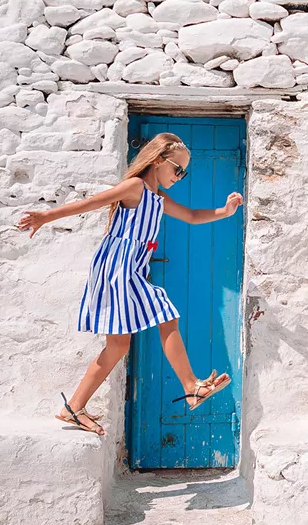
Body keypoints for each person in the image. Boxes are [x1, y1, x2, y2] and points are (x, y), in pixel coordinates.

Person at [17, 133, 240, 435]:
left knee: (118, 345)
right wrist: (46, 216)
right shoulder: (135, 188)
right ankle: (191, 386)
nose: (180, 176)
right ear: (159, 161)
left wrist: (224, 212)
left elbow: (190, 215)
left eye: (184, 172)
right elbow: (92, 202)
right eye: (178, 169)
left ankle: (73, 407)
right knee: (166, 314)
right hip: (117, 266)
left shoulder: (158, 199)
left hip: (130, 267)